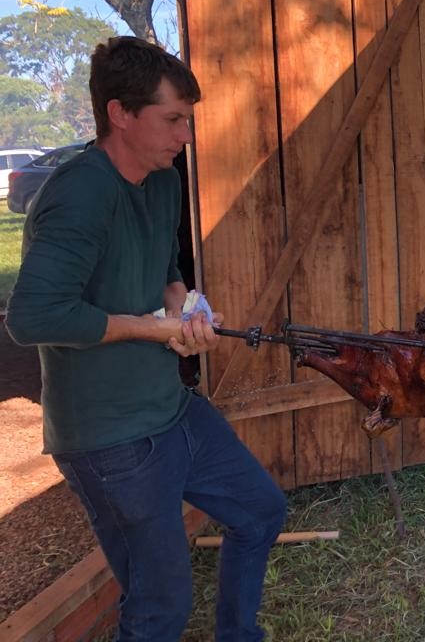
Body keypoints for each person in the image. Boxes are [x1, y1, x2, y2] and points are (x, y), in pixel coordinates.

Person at [6, 36, 287, 641]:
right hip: (109, 439)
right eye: (173, 119)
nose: (186, 135)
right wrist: (150, 328)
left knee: (261, 511)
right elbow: (33, 318)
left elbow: (167, 272)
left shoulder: (162, 180)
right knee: (159, 607)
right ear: (120, 114)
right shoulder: (78, 193)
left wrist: (186, 314)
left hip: (173, 411)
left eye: (189, 119)